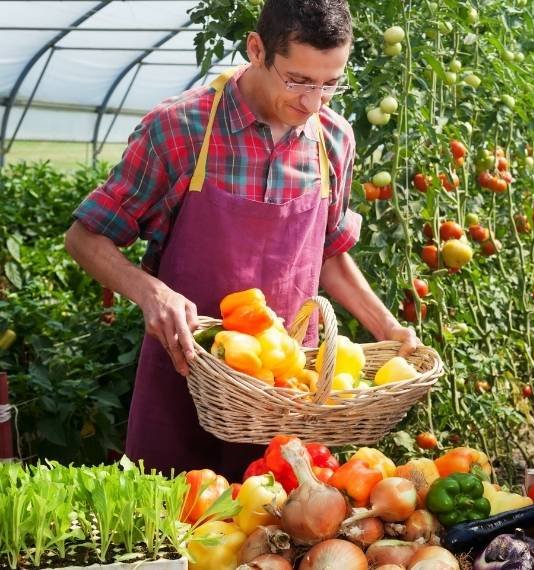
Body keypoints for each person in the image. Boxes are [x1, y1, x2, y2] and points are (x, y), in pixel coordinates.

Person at [64, 0, 417, 480]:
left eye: (330, 84)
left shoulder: (333, 138)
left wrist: (386, 327)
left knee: (275, 536)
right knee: (175, 535)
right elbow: (85, 238)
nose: (313, 102)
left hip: (288, 394)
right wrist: (152, 293)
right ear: (256, 49)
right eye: (298, 80)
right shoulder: (179, 129)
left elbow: (329, 251)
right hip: (187, 381)